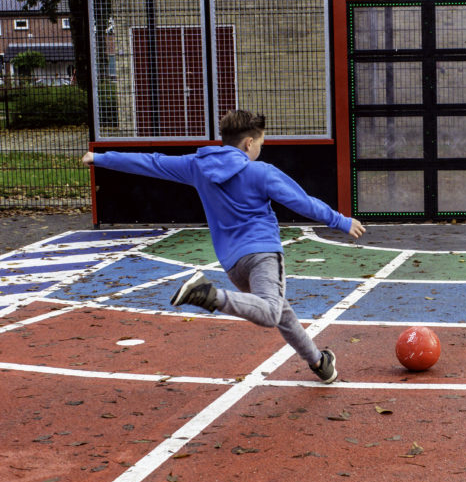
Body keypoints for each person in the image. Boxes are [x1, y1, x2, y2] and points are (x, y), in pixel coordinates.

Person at [81, 109, 365, 383]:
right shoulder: (260, 172)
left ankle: (319, 362)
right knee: (270, 312)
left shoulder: (197, 166)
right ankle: (209, 295)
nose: (260, 150)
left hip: (233, 264)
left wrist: (100, 157)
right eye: (261, 143)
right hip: (263, 255)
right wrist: (339, 221)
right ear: (249, 142)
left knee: (281, 313)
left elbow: (150, 162)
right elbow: (303, 202)